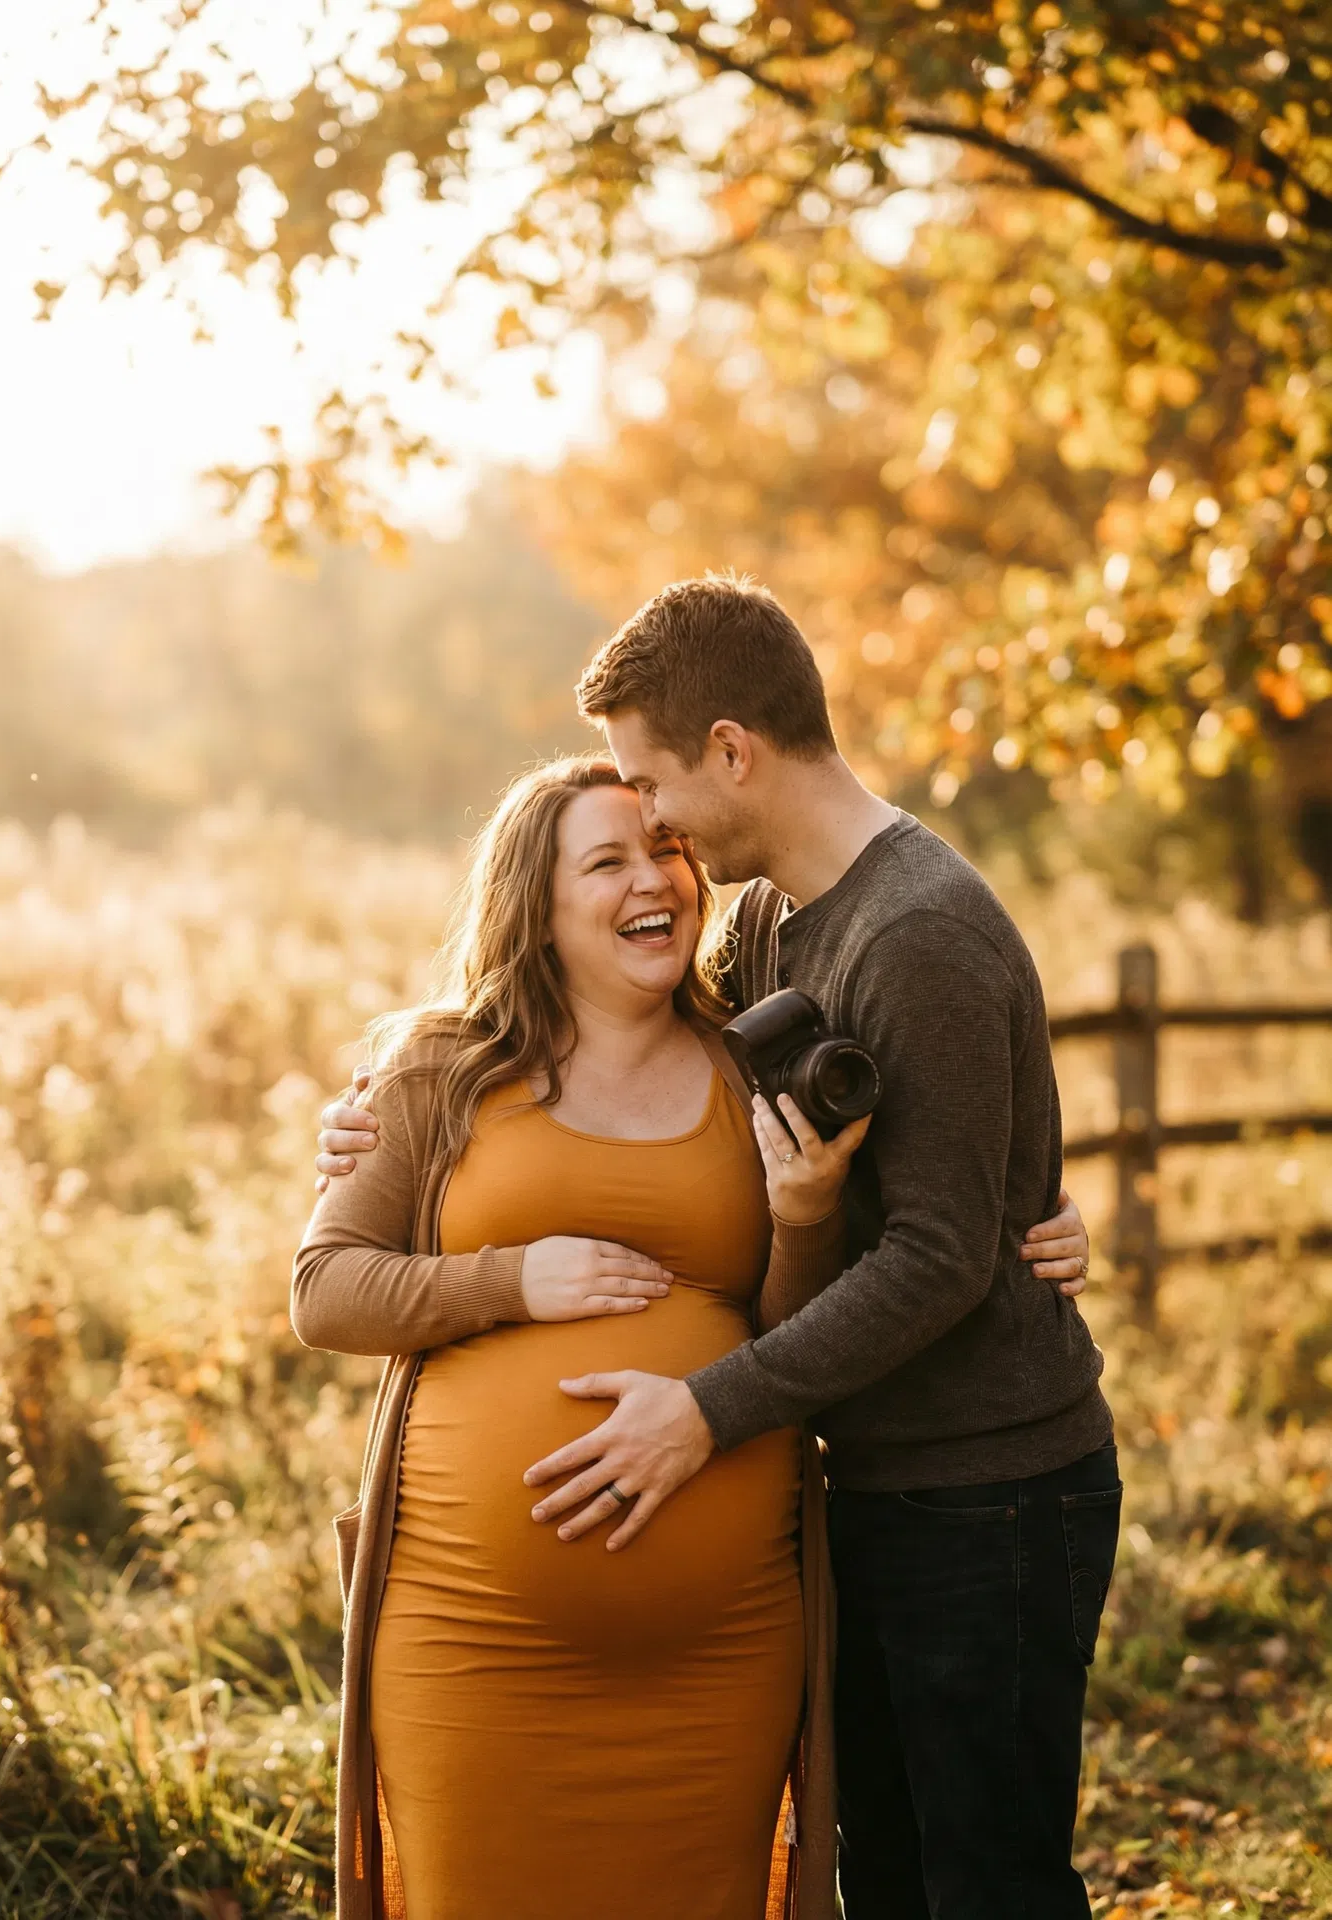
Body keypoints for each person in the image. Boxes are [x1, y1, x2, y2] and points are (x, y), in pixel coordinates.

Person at [317, 575, 1112, 1920]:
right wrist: (378, 1116)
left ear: (730, 752)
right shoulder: (763, 931)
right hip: (867, 1485)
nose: (657, 834)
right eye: (620, 825)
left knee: (988, 1883)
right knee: (902, 1878)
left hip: (985, 1497)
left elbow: (932, 1249)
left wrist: (701, 1411)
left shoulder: (918, 928)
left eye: (655, 792)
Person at [294, 755, 868, 1920]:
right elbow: (326, 1291)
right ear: (536, 906)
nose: (652, 877)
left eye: (664, 850)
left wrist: (808, 1218)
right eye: (605, 861)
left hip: (718, 1654)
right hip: (473, 1645)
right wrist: (512, 1278)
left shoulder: (750, 1065)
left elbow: (803, 1337)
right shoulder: (439, 1070)